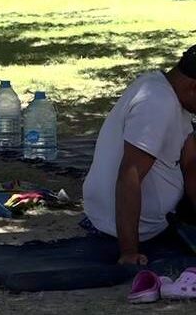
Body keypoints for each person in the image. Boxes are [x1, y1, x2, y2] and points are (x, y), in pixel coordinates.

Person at [82, 46, 196, 265]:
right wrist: (129, 252)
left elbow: (191, 161)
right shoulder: (157, 103)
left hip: (158, 223)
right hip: (130, 232)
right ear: (193, 86)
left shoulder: (170, 91)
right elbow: (130, 174)